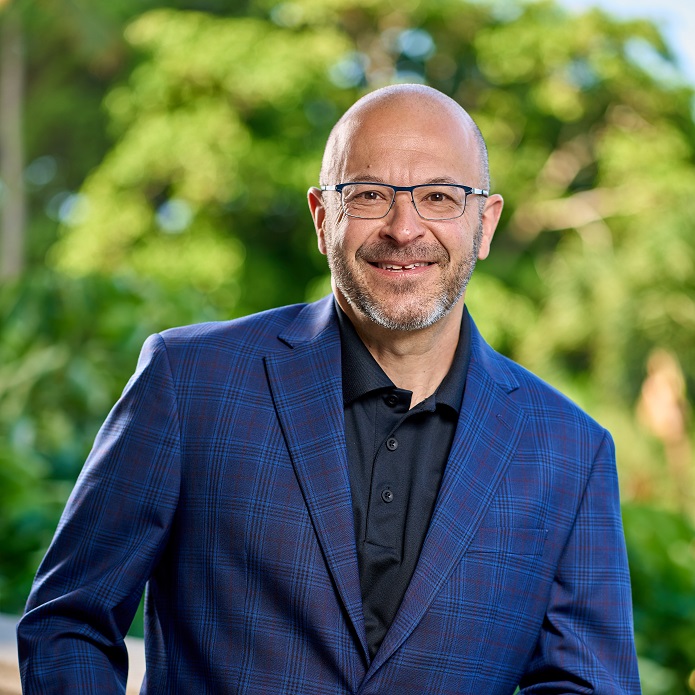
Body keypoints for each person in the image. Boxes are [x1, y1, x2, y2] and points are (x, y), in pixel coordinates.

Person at [17, 84, 641, 694]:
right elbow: (68, 624)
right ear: (322, 218)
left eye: (440, 198)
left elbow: (586, 682)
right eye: (370, 195)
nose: (404, 228)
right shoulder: (190, 382)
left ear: (484, 223)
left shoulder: (570, 451)